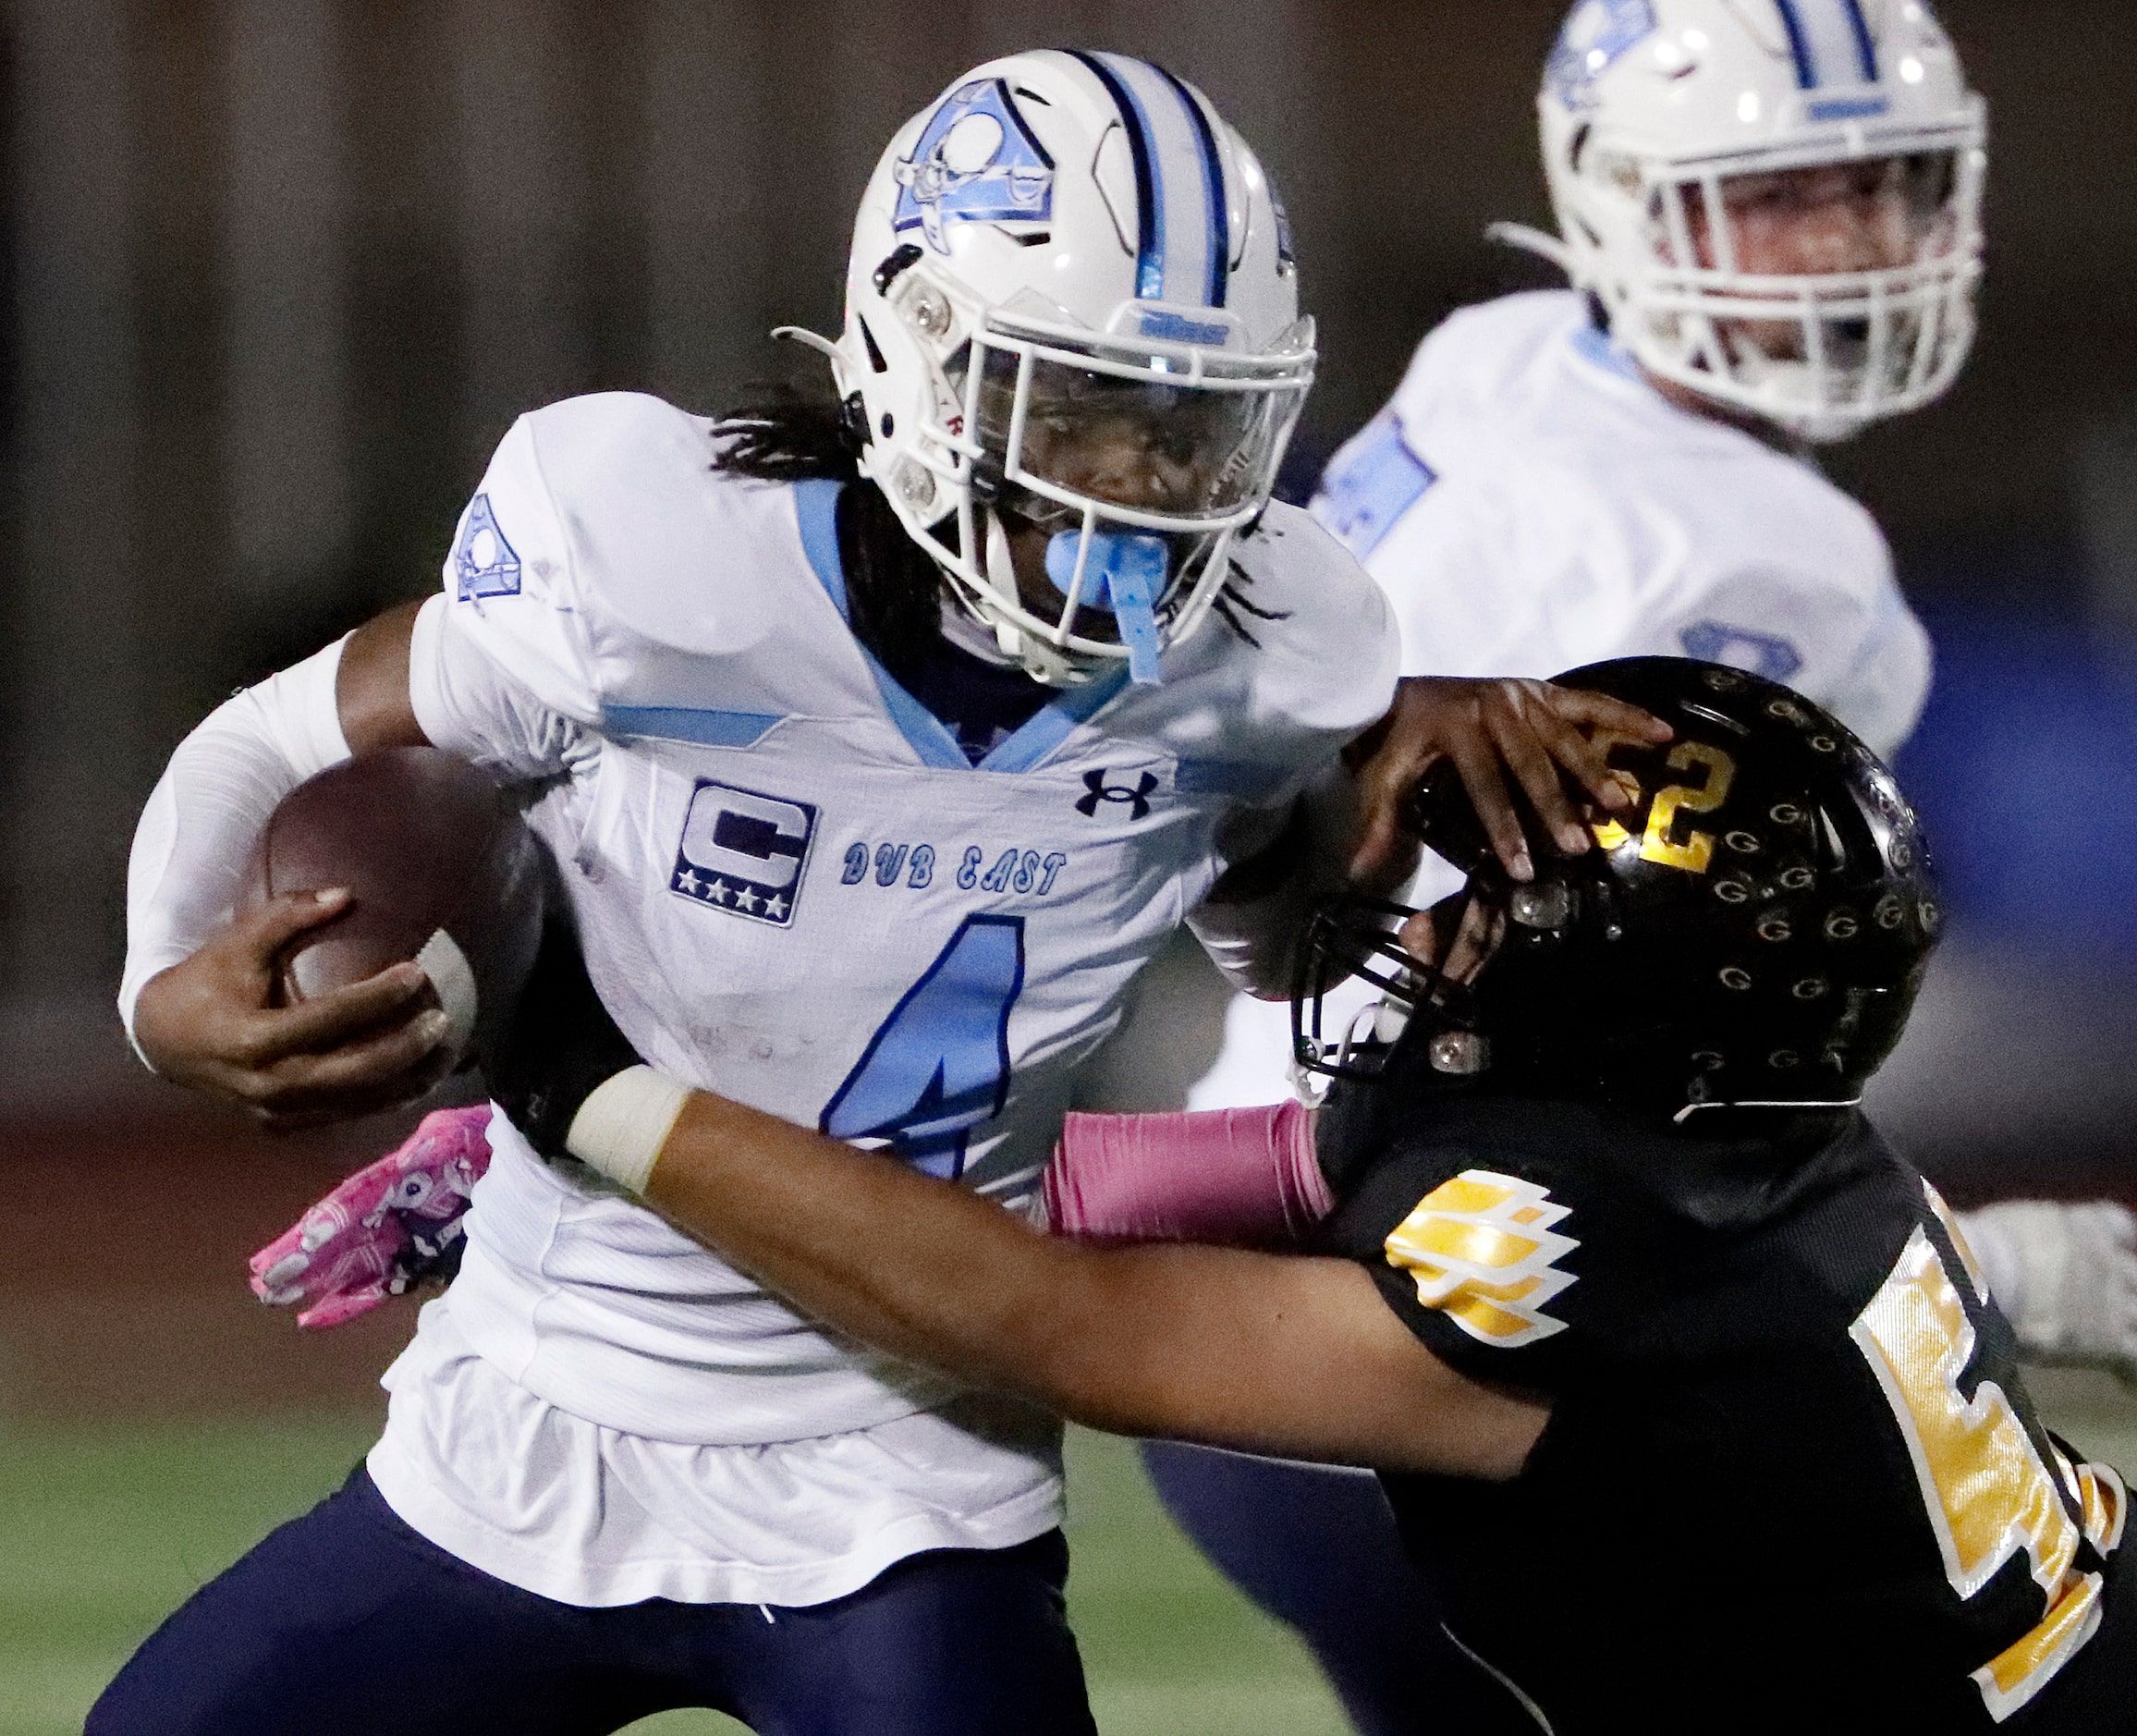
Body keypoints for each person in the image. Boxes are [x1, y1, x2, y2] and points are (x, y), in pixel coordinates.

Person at [94, 50, 1658, 1736]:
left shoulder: (1282, 650)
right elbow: (280, 728)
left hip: (910, 1461)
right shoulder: (650, 553)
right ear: (917, 357)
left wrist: (1367, 837)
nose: (1136, 492)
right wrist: (161, 984)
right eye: (1080, 410)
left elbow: (1278, 951)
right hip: (541, 1400)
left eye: (1193, 431)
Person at [467, 658, 2136, 1734]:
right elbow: (1125, 1185)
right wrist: (622, 1173)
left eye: (1486, 909)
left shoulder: (1575, 1239)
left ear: (1612, 990)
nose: (1419, 929)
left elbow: (1048, 1318)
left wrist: (588, 1088)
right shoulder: (1727, 1128)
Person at [1098, 6, 2137, 1728]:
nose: (1854, 243)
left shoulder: (1506, 354)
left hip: (1261, 1219)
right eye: (1782, 197)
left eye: (1884, 186)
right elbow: (1673, 1101)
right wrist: (1987, 1269)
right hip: (1441, 1297)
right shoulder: (1776, 567)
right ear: (1614, 193)